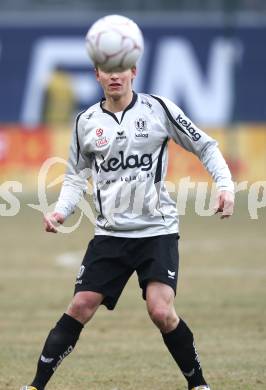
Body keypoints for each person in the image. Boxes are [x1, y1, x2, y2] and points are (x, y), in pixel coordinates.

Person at [20, 64, 234, 390]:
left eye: (121, 68)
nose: (115, 76)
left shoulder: (158, 109)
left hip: (156, 230)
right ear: (97, 75)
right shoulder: (86, 122)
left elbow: (205, 145)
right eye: (107, 69)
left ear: (133, 70)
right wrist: (61, 211)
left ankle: (200, 385)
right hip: (110, 234)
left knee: (161, 312)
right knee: (80, 305)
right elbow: (76, 175)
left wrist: (225, 186)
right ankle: (34, 386)